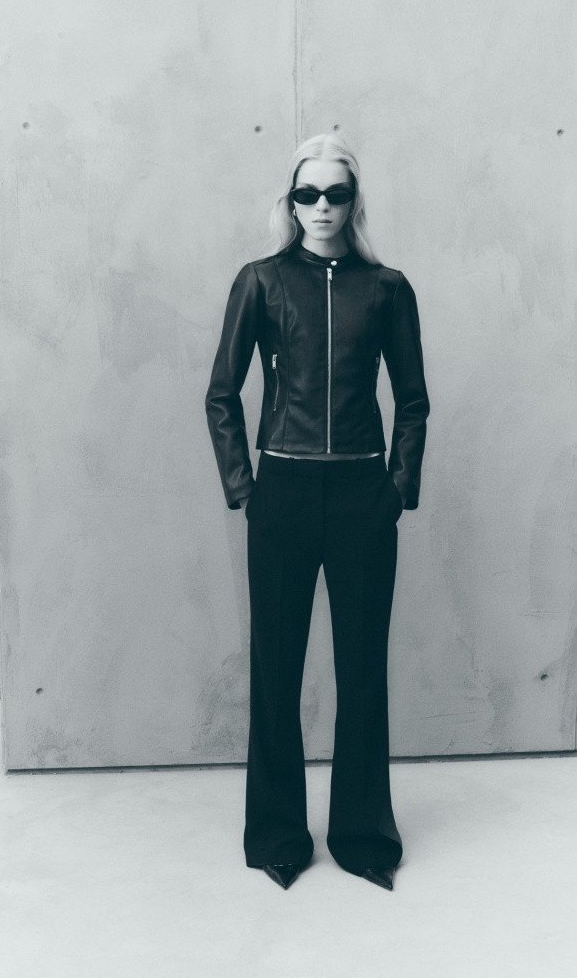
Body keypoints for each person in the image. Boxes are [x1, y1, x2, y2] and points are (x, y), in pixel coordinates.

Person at [204, 130, 429, 891]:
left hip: (363, 494)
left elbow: (413, 400)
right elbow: (222, 393)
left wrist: (397, 489)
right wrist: (245, 488)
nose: (322, 206)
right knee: (276, 669)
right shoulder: (262, 282)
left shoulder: (387, 288)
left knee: (363, 672)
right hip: (284, 493)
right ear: (291, 201)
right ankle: (277, 834)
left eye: (336, 192)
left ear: (354, 201)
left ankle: (363, 836)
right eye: (308, 193)